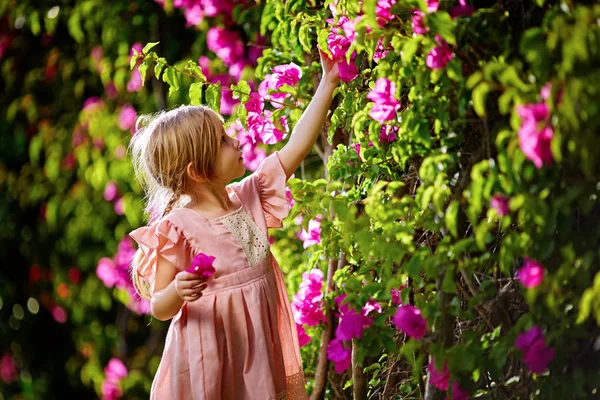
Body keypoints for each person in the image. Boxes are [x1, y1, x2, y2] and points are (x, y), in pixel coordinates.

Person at [128, 48, 340, 400]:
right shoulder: (178, 227)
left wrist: (329, 82)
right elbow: (159, 307)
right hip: (209, 362)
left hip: (256, 353)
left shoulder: (249, 196)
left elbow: (296, 147)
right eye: (224, 142)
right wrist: (177, 291)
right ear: (198, 171)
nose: (236, 141)